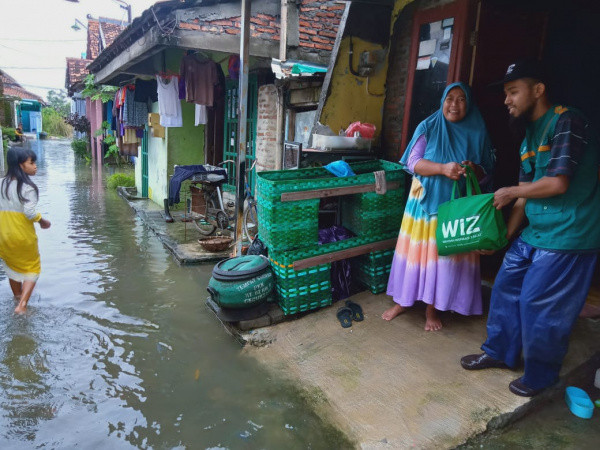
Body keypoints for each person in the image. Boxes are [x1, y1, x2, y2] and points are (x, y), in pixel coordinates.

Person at [461, 59, 600, 397]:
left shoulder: (567, 120)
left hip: (570, 231)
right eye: (506, 93)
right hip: (537, 230)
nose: (507, 100)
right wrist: (502, 239)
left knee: (540, 303)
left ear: (538, 90)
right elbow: (523, 200)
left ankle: (541, 373)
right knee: (507, 286)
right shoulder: (526, 138)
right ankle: (499, 353)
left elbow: (558, 183)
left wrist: (511, 191)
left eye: (513, 92)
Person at [382, 82, 495, 331]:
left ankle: (432, 309)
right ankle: (403, 301)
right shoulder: (429, 125)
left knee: (443, 258)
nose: (454, 104)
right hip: (423, 201)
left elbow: (487, 170)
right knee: (414, 254)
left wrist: (474, 169)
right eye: (449, 99)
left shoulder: (478, 130)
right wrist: (443, 168)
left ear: (469, 103)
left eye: (461, 99)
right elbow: (413, 163)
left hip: (456, 207)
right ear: (442, 101)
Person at [0, 147, 51, 314]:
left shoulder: (1, 184)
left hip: (4, 236)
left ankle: (17, 297)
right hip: (22, 236)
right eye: (31, 162)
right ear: (20, 165)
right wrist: (42, 221)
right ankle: (22, 305)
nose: (35, 166)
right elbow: (29, 213)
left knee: (12, 266)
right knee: (32, 268)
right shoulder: (28, 188)